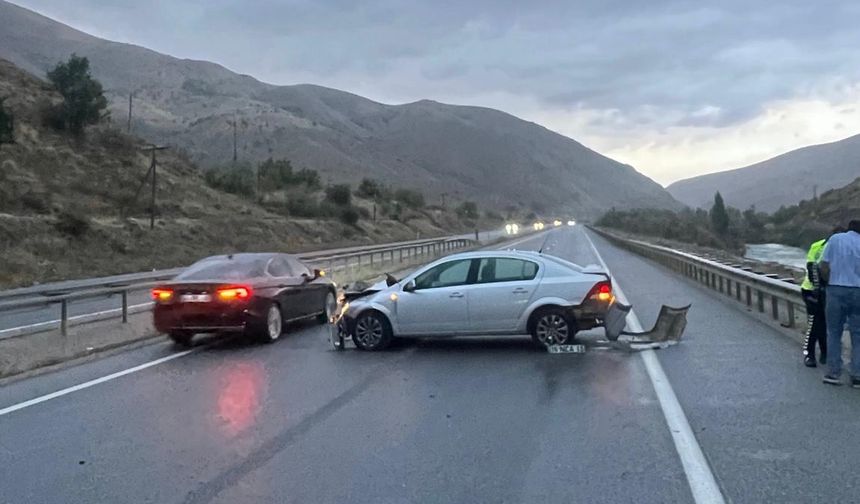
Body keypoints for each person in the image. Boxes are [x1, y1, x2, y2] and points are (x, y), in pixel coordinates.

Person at [820, 219, 860, 387]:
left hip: (836, 289)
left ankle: (834, 373)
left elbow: (824, 264)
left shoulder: (836, 239)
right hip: (858, 290)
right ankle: (857, 375)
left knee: (834, 332)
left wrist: (827, 281)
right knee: (858, 334)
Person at [800, 227, 845, 367]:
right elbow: (812, 267)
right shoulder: (821, 247)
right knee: (815, 323)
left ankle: (825, 354)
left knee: (824, 323)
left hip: (826, 291)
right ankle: (809, 355)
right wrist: (818, 288)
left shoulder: (827, 246)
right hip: (812, 290)